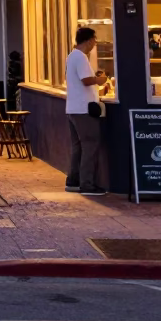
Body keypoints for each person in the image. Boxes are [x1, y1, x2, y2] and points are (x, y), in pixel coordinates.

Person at [65, 26, 109, 196]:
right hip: (84, 110)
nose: (94, 44)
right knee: (90, 146)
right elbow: (86, 80)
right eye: (94, 41)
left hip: (73, 108)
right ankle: (87, 184)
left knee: (78, 147)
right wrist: (101, 79)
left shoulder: (71, 56)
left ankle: (73, 180)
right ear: (90, 40)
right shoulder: (81, 57)